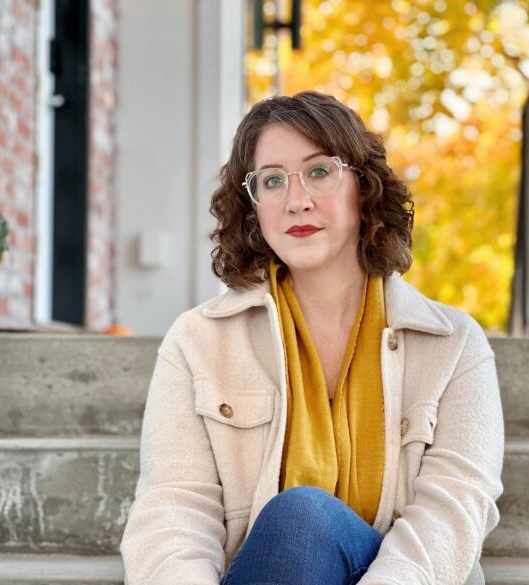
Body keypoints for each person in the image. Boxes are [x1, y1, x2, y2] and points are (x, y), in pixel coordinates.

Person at [120, 91, 504, 585]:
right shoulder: (198, 341)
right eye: (272, 180)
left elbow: (453, 511)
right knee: (296, 526)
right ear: (253, 206)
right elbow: (173, 511)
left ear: (363, 189)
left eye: (319, 171)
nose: (296, 199)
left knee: (302, 518)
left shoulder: (453, 345)